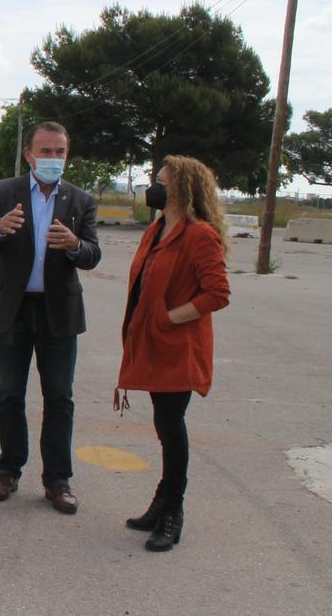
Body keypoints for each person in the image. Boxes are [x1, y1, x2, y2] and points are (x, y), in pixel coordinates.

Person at [0, 121, 100, 514]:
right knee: (9, 393)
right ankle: (8, 469)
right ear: (29, 154)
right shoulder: (3, 191)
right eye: (45, 151)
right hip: (10, 309)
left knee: (59, 397)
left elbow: (94, 254)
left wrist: (76, 245)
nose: (53, 158)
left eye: (60, 152)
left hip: (58, 312)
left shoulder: (80, 200)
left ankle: (57, 480)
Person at [116, 155, 230, 552]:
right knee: (165, 426)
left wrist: (167, 319)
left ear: (182, 189)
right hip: (152, 344)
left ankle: (172, 512)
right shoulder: (157, 228)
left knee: (171, 426)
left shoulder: (200, 235)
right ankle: (161, 502)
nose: (154, 186)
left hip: (178, 348)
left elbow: (217, 294)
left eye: (161, 181)